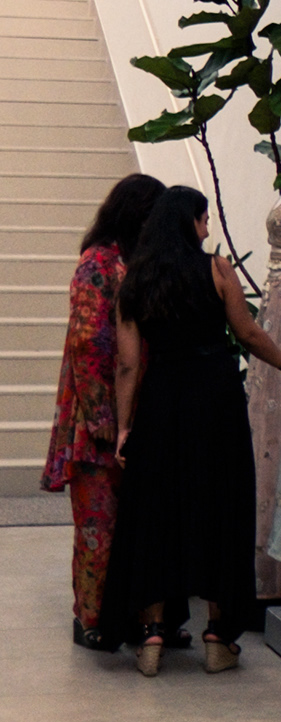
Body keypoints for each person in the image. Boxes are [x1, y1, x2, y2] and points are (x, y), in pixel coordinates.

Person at [103, 186, 281, 677]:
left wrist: (125, 427)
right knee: (220, 506)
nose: (208, 228)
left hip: (161, 402)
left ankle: (152, 634)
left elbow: (127, 364)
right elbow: (247, 332)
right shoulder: (216, 269)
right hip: (215, 400)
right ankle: (218, 635)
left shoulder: (134, 282)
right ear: (188, 223)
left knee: (156, 511)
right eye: (203, 219)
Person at [40, 171, 165, 648]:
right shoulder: (98, 262)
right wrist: (102, 417)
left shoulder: (131, 261)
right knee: (97, 525)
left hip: (131, 411)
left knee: (125, 526)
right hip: (100, 419)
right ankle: (91, 619)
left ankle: (125, 615)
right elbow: (87, 342)